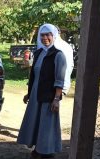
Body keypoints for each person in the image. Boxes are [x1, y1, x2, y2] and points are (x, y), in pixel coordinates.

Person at [17, 24, 67, 159]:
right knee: (35, 121)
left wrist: (56, 99)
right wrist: (29, 93)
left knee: (46, 125)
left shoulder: (58, 55)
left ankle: (47, 153)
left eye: (48, 35)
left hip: (48, 97)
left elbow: (59, 80)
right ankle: (38, 150)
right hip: (35, 95)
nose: (45, 38)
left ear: (54, 36)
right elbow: (35, 76)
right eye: (42, 35)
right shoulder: (39, 53)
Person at [37, 25, 74, 94]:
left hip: (56, 85)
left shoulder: (58, 48)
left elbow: (63, 69)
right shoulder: (64, 46)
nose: (45, 37)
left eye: (48, 34)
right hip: (57, 84)